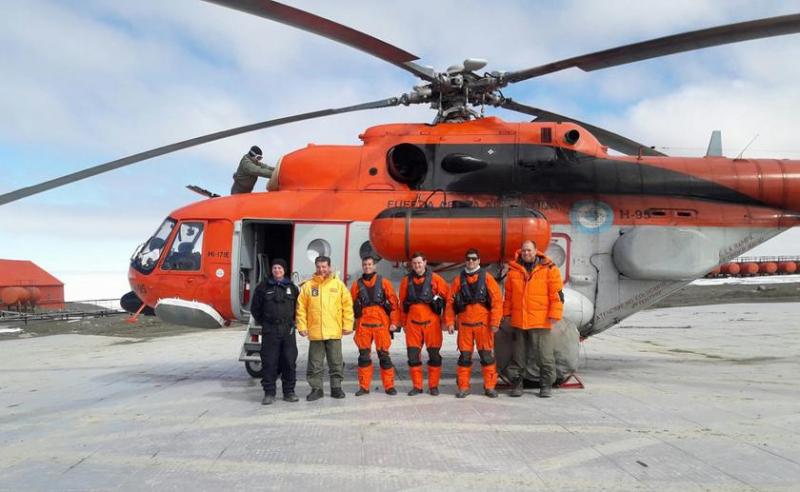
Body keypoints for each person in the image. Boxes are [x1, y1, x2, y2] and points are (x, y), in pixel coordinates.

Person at [503, 240, 564, 398]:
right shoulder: (513, 270)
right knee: (518, 357)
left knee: (544, 356)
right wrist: (507, 314)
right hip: (519, 320)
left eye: (529, 250)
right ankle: (517, 384)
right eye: (524, 251)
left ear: (536, 251)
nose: (526, 253)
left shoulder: (550, 269)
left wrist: (555, 314)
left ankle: (546, 385)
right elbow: (508, 296)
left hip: (540, 320)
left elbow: (556, 295)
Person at [445, 248, 503, 399]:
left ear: (479, 260)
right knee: (464, 358)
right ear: (465, 260)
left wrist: (495, 322)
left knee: (487, 357)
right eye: (468, 259)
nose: (471, 261)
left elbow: (497, 301)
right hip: (464, 326)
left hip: (483, 325)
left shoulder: (488, 278)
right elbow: (450, 303)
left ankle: (490, 387)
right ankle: (463, 387)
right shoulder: (458, 280)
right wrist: (450, 322)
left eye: (474, 259)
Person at [296, 255, 354, 401]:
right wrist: (302, 326)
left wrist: (348, 325)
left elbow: (347, 306)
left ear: (329, 267)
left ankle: (336, 388)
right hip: (316, 332)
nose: (321, 270)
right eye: (319, 267)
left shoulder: (338, 285)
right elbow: (301, 308)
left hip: (334, 331)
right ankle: (316, 389)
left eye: (324, 267)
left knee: (336, 361)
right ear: (316, 267)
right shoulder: (308, 286)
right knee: (315, 363)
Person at [398, 252, 449, 396]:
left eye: (419, 263)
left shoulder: (436, 279)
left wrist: (447, 321)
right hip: (413, 324)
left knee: (434, 356)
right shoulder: (405, 281)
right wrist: (403, 324)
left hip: (431, 323)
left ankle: (433, 386)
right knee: (413, 356)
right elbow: (401, 304)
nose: (417, 266)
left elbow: (448, 300)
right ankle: (417, 386)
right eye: (414, 263)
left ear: (425, 262)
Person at [250, 258, 300, 405]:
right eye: (275, 268)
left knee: (289, 362)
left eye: (280, 268)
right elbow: (255, 308)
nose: (277, 270)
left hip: (288, 330)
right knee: (269, 362)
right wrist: (265, 322)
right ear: (272, 270)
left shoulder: (292, 287)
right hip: (270, 330)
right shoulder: (263, 287)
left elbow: (299, 307)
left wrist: (293, 322)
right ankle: (269, 393)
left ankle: (289, 392)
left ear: (284, 270)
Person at [350, 256, 401, 396]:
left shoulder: (384, 282)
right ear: (362, 266)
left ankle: (389, 386)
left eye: (370, 264)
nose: (367, 267)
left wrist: (394, 323)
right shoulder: (356, 285)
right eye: (365, 264)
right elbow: (349, 305)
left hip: (381, 324)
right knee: (364, 357)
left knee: (384, 356)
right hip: (363, 325)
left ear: (374, 266)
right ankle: (364, 387)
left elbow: (394, 304)